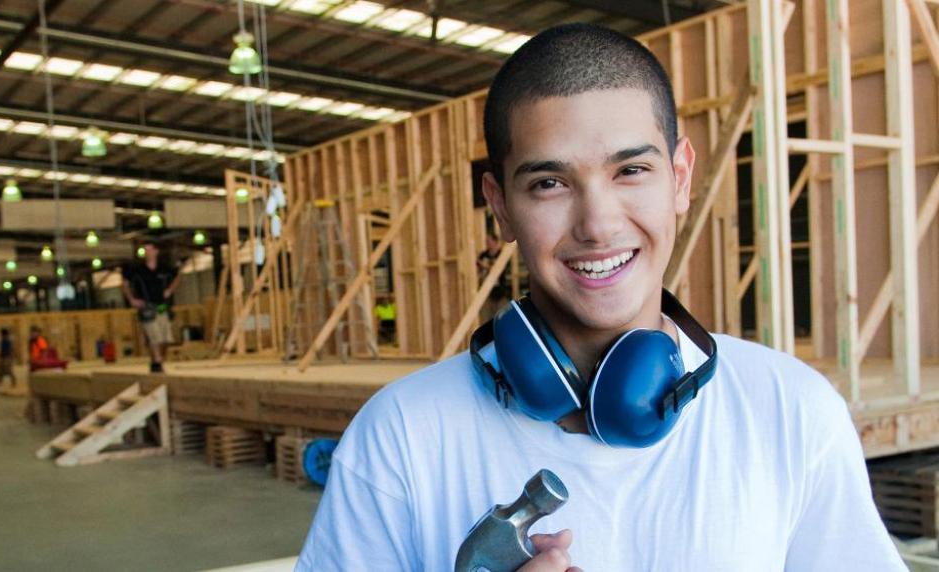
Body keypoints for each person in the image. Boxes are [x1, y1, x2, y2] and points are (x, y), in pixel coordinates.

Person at [295, 24, 903, 571]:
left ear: (680, 179)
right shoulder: (400, 436)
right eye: (549, 183)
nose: (598, 224)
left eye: (630, 171)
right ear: (500, 206)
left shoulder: (791, 412)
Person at [122, 241, 179, 373]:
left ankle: (155, 362)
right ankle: (158, 361)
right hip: (146, 307)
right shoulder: (138, 270)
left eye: (150, 250)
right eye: (145, 250)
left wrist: (170, 290)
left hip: (162, 306)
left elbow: (177, 276)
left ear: (156, 251)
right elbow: (125, 282)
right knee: (153, 335)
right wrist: (131, 299)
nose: (147, 253)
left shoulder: (164, 268)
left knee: (165, 337)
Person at [477, 231, 510, 322]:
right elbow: (478, 271)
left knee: (502, 317)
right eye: (486, 241)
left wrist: (485, 265)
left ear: (495, 242)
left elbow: (498, 269)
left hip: (500, 292)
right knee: (486, 318)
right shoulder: (483, 255)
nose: (487, 243)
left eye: (489, 241)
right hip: (486, 292)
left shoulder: (501, 255)